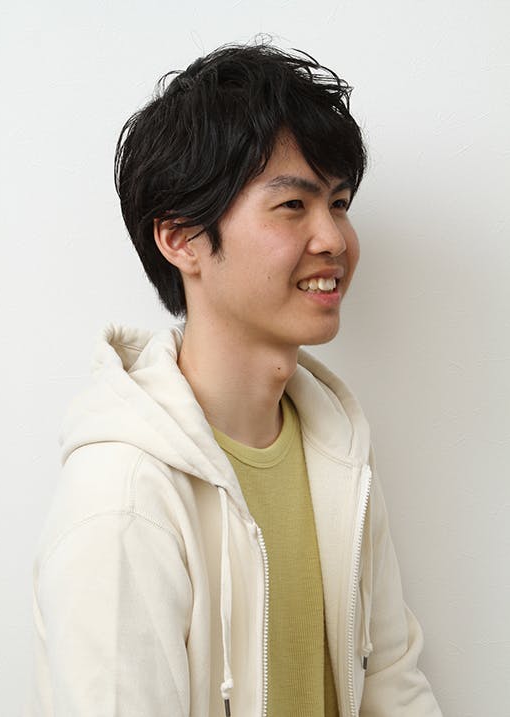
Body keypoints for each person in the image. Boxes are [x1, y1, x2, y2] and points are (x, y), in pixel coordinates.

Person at [27, 42, 443, 716]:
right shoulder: (123, 496)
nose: (334, 239)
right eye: (293, 205)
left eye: (338, 203)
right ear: (180, 238)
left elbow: (391, 682)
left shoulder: (335, 444)